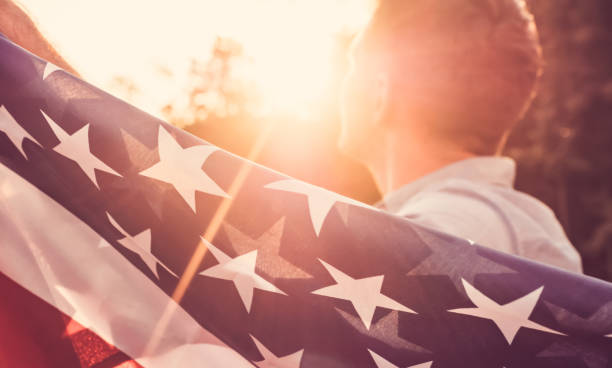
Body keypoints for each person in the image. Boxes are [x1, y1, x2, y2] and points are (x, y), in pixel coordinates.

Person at [0, 0, 581, 273]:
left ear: (379, 90)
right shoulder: (503, 224)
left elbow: (243, 283)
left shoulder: (453, 231)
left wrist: (43, 77)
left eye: (353, 65)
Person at [338, 0, 582, 274]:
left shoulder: (431, 234)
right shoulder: (522, 225)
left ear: (380, 95)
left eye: (352, 67)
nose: (342, 86)